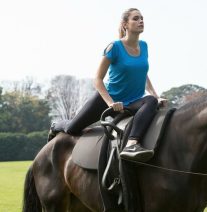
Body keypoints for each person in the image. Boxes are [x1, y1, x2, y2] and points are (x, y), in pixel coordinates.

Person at [49, 8, 167, 162]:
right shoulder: (114, 47)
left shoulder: (144, 46)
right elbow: (97, 79)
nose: (141, 21)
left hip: (133, 101)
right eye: (136, 19)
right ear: (125, 24)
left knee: (150, 101)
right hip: (108, 99)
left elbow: (143, 73)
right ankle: (55, 125)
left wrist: (156, 96)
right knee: (73, 129)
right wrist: (111, 103)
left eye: (142, 18)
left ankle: (132, 144)